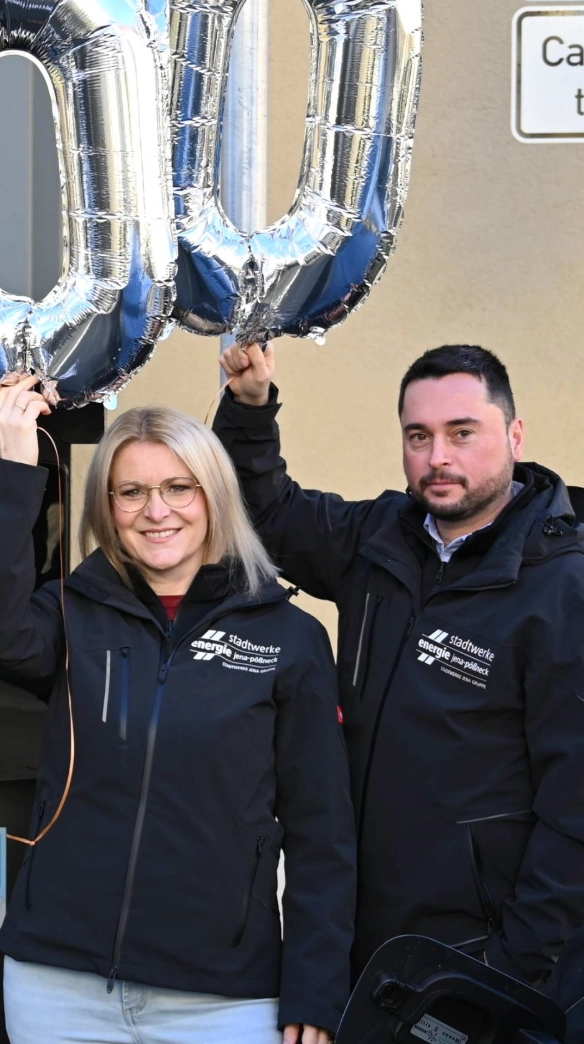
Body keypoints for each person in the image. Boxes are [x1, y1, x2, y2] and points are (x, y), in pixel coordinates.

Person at [0, 376, 355, 1044]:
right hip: (58, 985)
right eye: (131, 492)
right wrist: (16, 469)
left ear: (214, 496)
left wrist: (317, 989)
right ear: (107, 508)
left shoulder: (289, 638)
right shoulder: (72, 613)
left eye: (178, 488)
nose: (156, 510)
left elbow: (324, 834)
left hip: (221, 999)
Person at [216, 342, 584, 990]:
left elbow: (573, 808)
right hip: (363, 944)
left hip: (481, 966)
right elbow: (268, 514)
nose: (437, 457)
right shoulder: (380, 538)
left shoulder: (563, 587)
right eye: (419, 435)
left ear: (514, 434)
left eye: (461, 433)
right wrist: (249, 406)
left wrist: (511, 971)